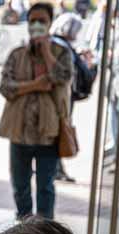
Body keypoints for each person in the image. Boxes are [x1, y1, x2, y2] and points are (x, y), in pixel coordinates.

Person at [0, 2, 73, 219]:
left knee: (45, 188)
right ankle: (23, 233)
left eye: (42, 21)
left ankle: (43, 233)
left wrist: (47, 52)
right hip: (18, 131)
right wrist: (35, 85)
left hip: (48, 133)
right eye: (33, 21)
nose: (37, 25)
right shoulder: (17, 54)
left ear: (50, 24)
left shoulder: (61, 53)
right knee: (20, 187)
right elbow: (5, 87)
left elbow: (63, 78)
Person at [50, 10, 92, 183]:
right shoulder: (61, 47)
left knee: (58, 130)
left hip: (63, 97)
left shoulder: (59, 45)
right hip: (62, 99)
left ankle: (55, 168)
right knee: (59, 130)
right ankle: (56, 169)